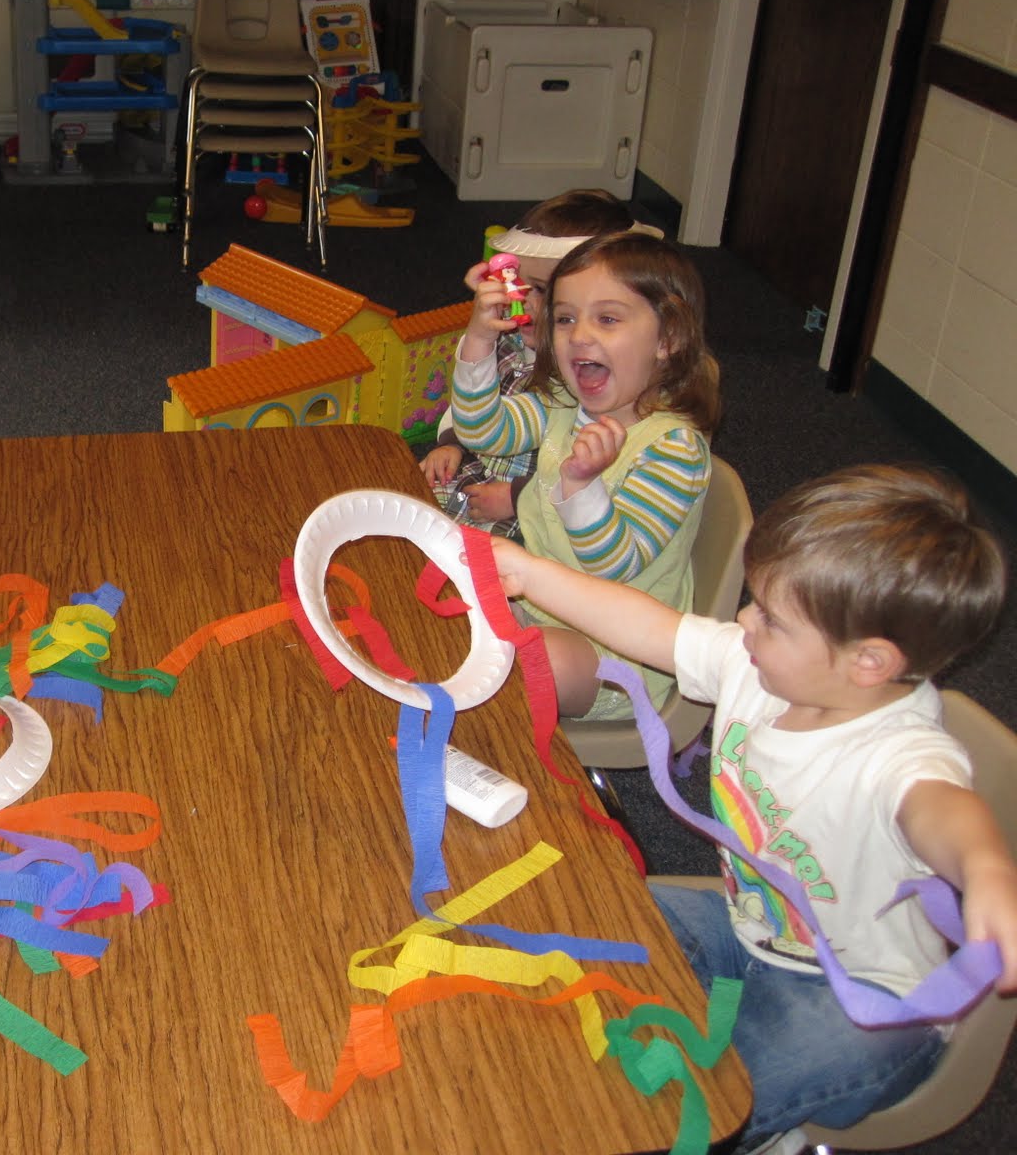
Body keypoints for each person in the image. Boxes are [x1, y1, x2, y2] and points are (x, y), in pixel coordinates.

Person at [489, 463, 1017, 1152]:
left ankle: (758, 1131)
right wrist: (532, 573)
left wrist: (986, 869)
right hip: (747, 929)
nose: (743, 618)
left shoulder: (901, 752)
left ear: (869, 663)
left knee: (699, 1104)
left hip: (862, 1000)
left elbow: (941, 809)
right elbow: (649, 627)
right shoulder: (757, 666)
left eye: (771, 616)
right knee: (594, 910)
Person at [447, 229, 721, 719]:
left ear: (669, 339)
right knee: (445, 603)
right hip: (538, 604)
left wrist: (581, 487)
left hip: (619, 654)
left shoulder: (674, 448)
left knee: (527, 663)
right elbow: (481, 430)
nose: (578, 335)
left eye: (608, 318)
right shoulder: (562, 403)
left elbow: (612, 565)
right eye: (566, 318)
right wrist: (480, 341)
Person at [419, 188, 660, 542]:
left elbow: (595, 476)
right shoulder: (510, 339)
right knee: (403, 505)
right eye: (518, 283)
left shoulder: (591, 382)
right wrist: (453, 441)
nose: (524, 301)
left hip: (533, 512)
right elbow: (475, 414)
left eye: (544, 290)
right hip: (478, 472)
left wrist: (518, 496)